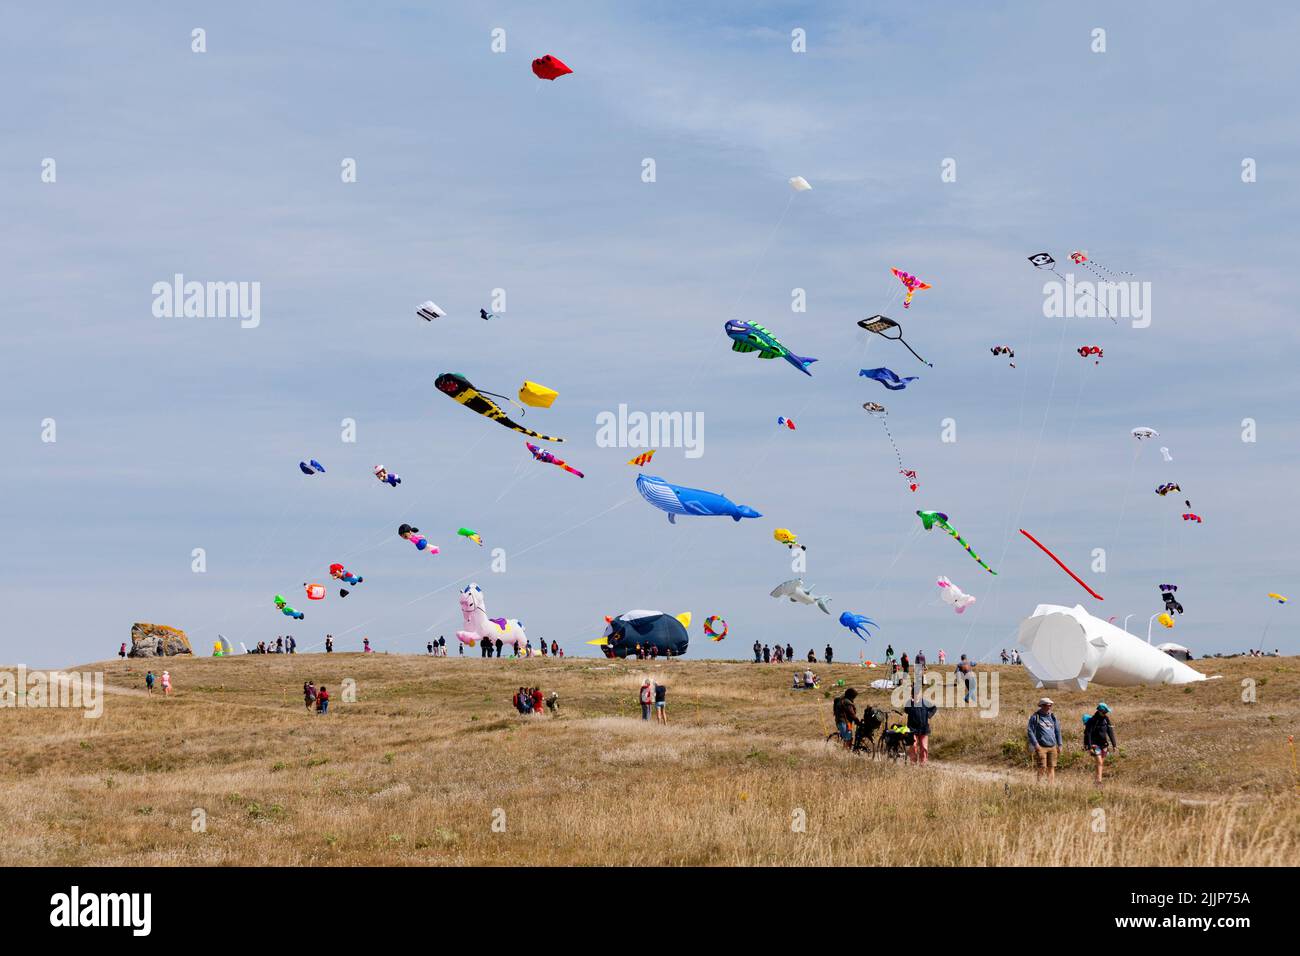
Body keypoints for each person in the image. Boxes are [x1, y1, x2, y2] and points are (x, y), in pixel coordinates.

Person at [1027, 697, 1062, 782]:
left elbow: (1057, 731)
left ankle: (1051, 786)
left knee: (1051, 767)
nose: (1049, 707)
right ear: (1042, 706)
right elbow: (1030, 731)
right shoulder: (1035, 717)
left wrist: (1060, 744)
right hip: (1041, 746)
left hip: (1053, 746)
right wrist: (1036, 744)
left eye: (1050, 705)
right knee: (1042, 767)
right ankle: (1039, 784)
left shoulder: (1053, 717)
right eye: (1047, 705)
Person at [1083, 702, 1117, 784]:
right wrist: (1089, 746)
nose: (1106, 713)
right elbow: (1088, 734)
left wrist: (1114, 745)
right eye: (1105, 712)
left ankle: (1098, 780)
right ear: (1099, 711)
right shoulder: (1092, 721)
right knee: (1099, 762)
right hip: (1095, 745)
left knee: (1101, 763)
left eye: (1106, 712)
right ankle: (1098, 781)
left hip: (1104, 745)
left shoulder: (1106, 719)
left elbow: (1110, 732)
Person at [904, 694, 936, 765]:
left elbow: (934, 708)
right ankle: (913, 763)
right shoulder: (909, 703)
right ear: (912, 695)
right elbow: (906, 710)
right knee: (913, 746)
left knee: (924, 747)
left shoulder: (925, 702)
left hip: (924, 729)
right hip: (912, 729)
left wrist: (929, 715)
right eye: (915, 694)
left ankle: (923, 763)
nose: (917, 696)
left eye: (918, 694)